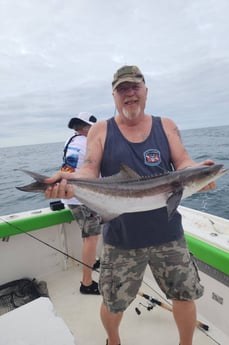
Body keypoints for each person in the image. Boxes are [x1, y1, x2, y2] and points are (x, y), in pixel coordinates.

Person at [45, 65, 216, 345]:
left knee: (184, 295)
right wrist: (69, 180)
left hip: (169, 236)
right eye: (122, 89)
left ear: (146, 91)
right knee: (113, 302)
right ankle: (114, 341)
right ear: (114, 96)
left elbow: (183, 162)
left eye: (135, 87)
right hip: (121, 238)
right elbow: (89, 170)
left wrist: (199, 171)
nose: (129, 94)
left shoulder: (166, 125)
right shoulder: (100, 130)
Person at [61, 112, 101, 295]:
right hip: (82, 198)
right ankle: (86, 283)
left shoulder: (71, 141)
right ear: (88, 128)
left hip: (71, 196)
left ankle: (92, 262)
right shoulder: (89, 143)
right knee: (91, 238)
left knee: (88, 237)